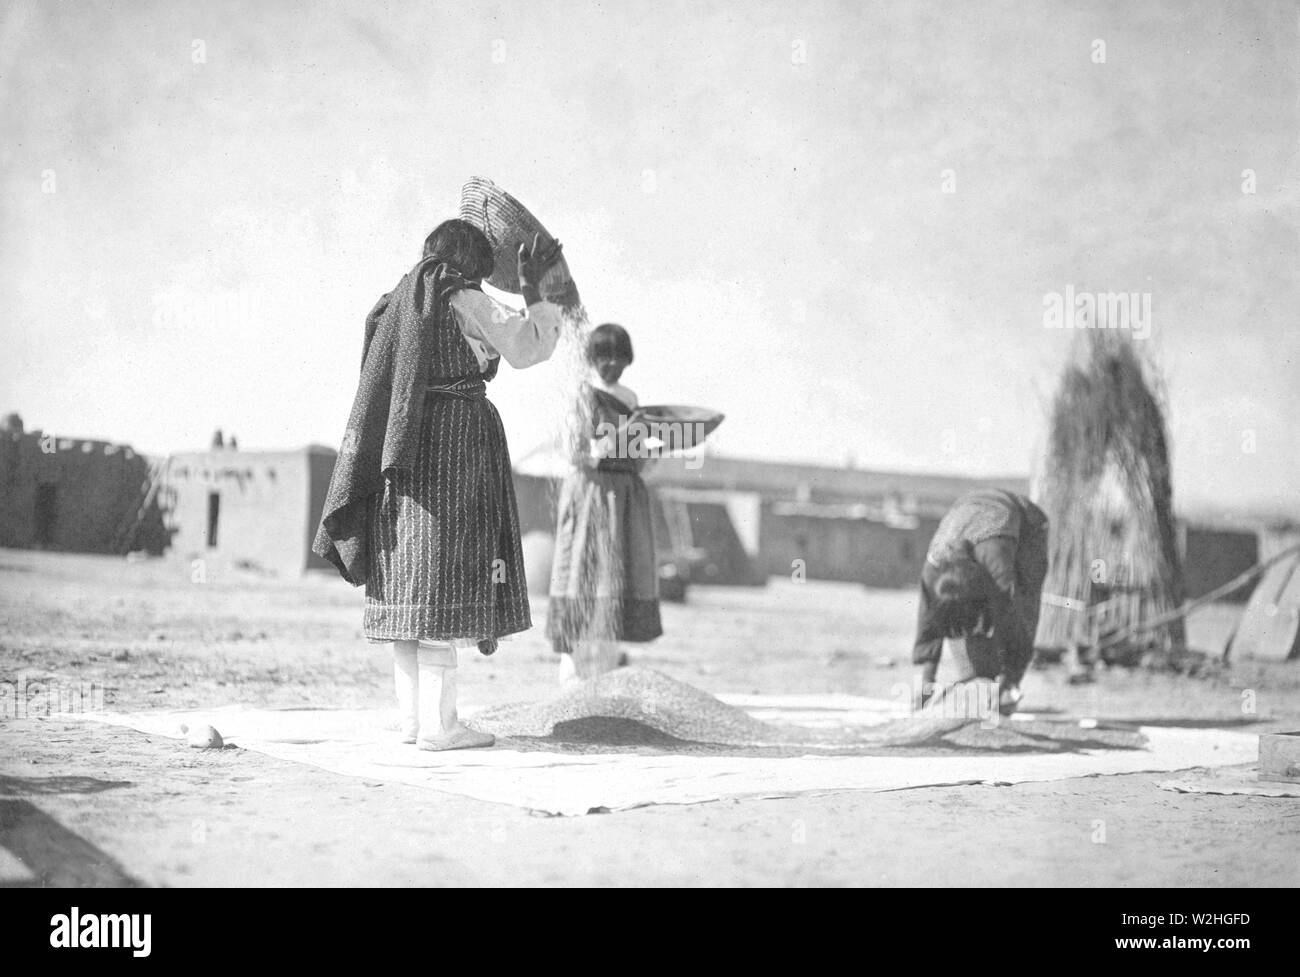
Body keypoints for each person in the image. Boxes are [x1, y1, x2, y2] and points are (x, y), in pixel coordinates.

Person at [314, 219, 564, 750]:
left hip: (399, 448)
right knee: (445, 579)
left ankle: (412, 721)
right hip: (456, 442)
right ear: (472, 265)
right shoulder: (464, 299)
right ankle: (441, 727)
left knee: (409, 579)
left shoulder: (394, 303)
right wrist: (538, 293)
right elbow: (529, 348)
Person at [547, 323, 663, 682]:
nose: (610, 363)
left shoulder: (630, 400)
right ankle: (572, 665)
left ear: (627, 360)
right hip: (591, 492)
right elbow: (570, 449)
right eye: (603, 356)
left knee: (618, 576)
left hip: (625, 498)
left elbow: (640, 454)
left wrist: (650, 451)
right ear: (591, 359)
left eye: (617, 356)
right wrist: (600, 449)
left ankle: (607, 667)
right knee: (584, 569)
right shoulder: (583, 396)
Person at [912, 488, 1048, 715]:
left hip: (1026, 524)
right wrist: (925, 687)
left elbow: (1013, 619)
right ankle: (981, 681)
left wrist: (1008, 678)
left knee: (1019, 606)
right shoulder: (933, 569)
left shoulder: (997, 568)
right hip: (969, 510)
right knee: (975, 670)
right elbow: (928, 627)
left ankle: (1006, 688)